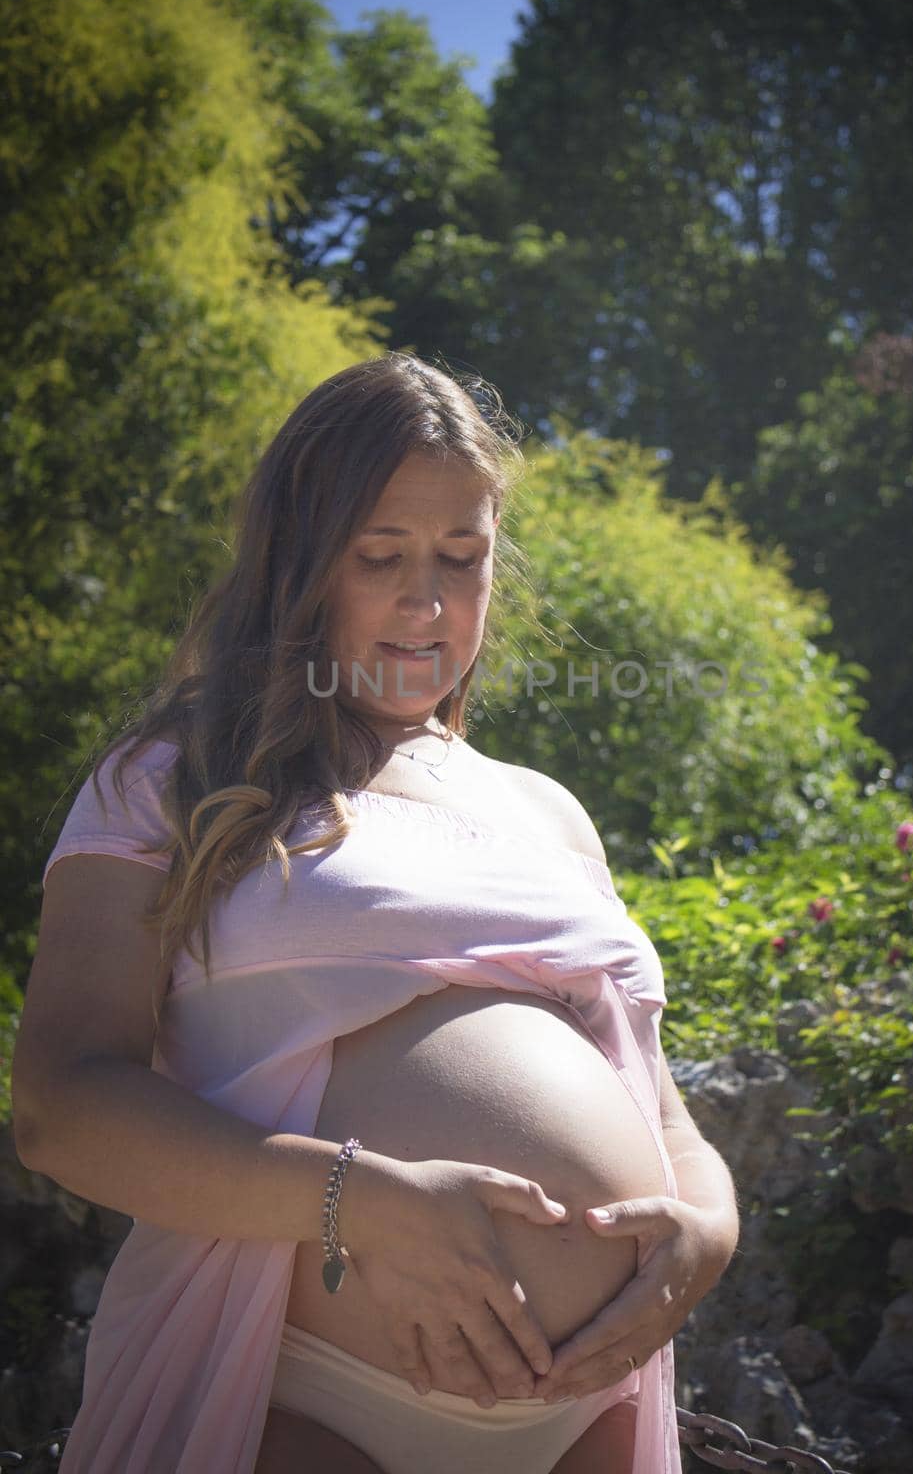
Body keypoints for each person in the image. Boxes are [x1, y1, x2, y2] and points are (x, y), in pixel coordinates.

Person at [13, 352, 739, 1474]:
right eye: (380, 556)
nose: (427, 601)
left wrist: (704, 1235)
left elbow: (666, 1114)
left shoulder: (546, 810)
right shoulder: (172, 774)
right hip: (300, 1390)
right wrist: (362, 1197)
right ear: (298, 567)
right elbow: (63, 1104)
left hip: (585, 1413)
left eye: (462, 556)